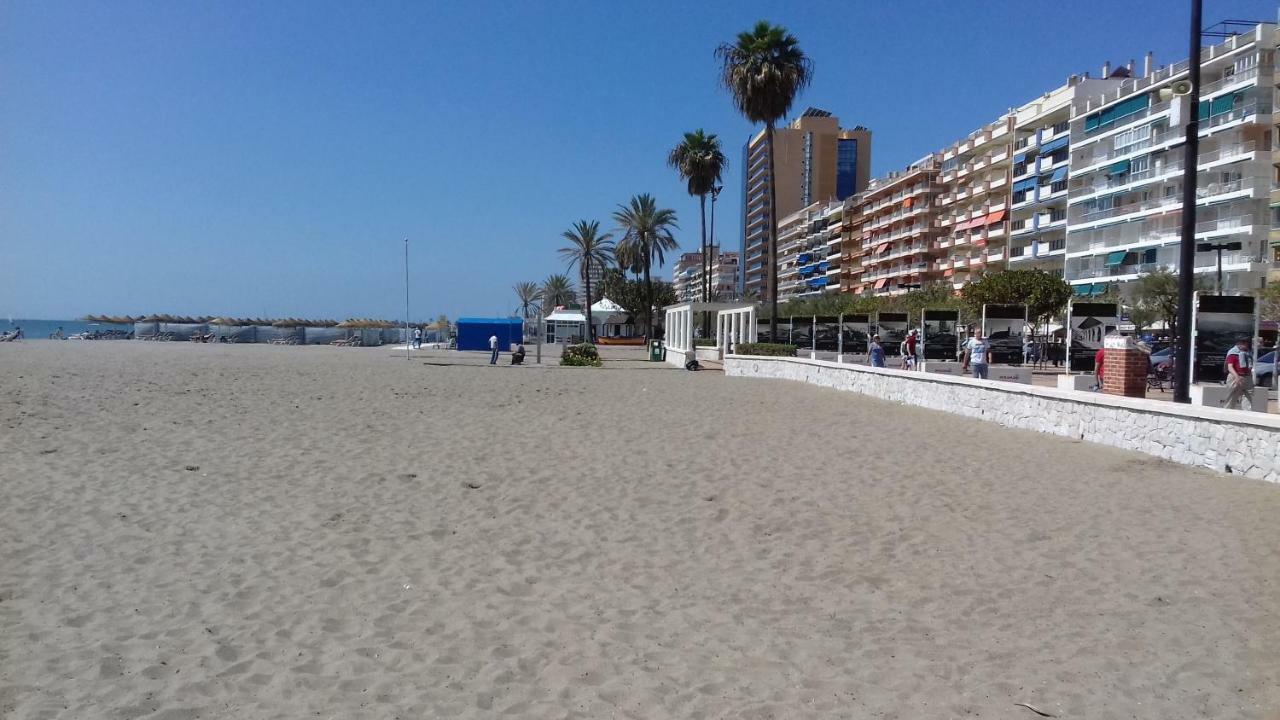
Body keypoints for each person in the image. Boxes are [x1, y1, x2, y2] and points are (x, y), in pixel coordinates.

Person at [1223, 337, 1255, 410]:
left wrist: (1250, 376)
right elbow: (1230, 367)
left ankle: (1247, 413)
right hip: (1235, 377)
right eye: (1245, 343)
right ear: (1239, 343)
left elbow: (1250, 365)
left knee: (1248, 395)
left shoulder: (1248, 353)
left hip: (1247, 377)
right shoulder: (1233, 353)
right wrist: (1237, 377)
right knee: (1232, 397)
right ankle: (1227, 413)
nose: (1247, 345)